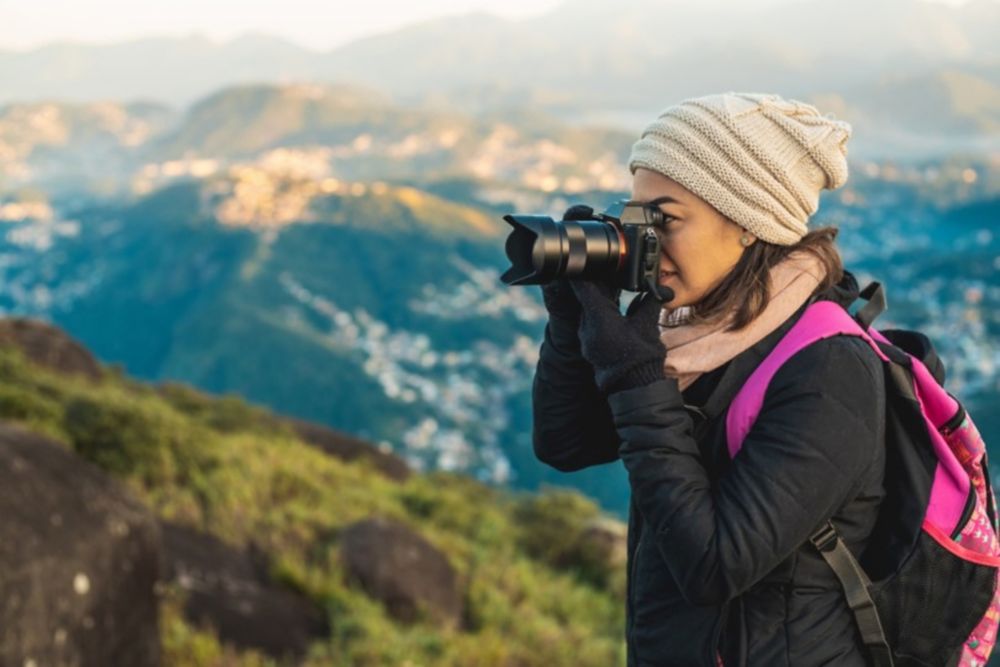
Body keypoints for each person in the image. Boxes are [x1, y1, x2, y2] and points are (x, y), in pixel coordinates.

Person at [532, 93, 886, 666]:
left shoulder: (829, 370)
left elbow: (715, 565)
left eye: (665, 220)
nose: (644, 242)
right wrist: (570, 320)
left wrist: (636, 377)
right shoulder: (697, 335)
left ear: (749, 222)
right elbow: (565, 445)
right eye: (636, 217)